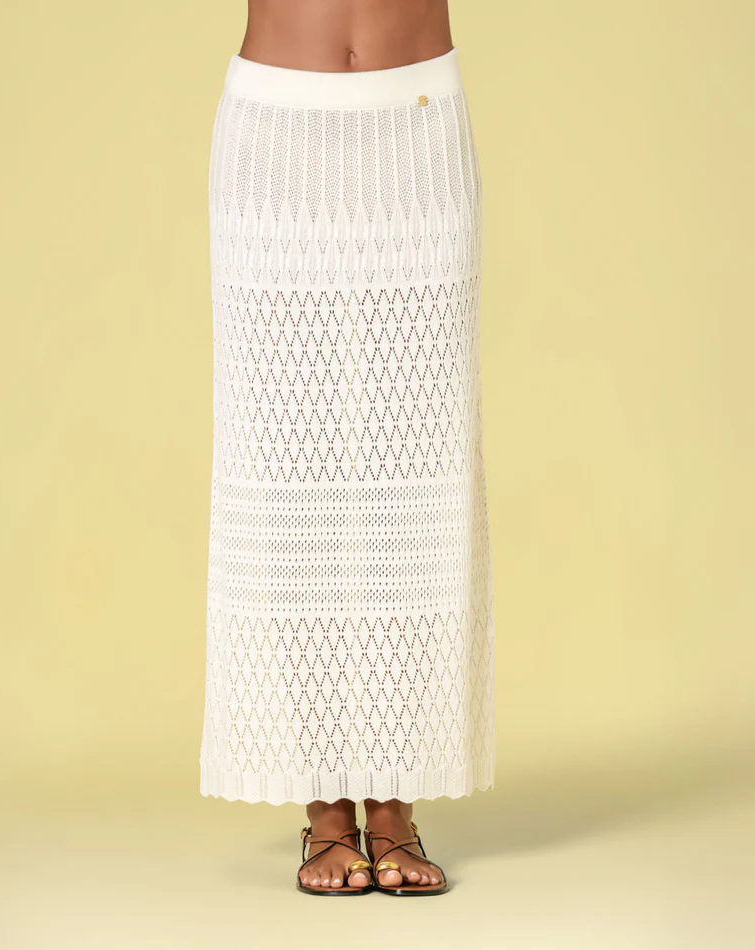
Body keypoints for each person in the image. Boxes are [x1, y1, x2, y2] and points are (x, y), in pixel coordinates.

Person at [200, 0, 495, 896]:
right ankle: (326, 810)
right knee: (282, 463)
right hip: (277, 132)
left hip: (418, 131)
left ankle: (394, 804)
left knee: (420, 460)